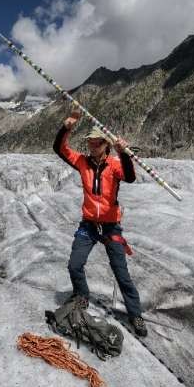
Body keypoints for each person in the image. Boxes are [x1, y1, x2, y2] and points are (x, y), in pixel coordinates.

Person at [52, 105, 148, 337]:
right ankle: (82, 296)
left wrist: (124, 153)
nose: (92, 146)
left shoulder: (114, 164)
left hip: (110, 226)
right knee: (75, 264)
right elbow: (59, 148)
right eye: (90, 142)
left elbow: (131, 177)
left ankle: (135, 314)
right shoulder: (82, 162)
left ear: (106, 144)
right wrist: (67, 126)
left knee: (120, 271)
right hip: (88, 225)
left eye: (96, 143)